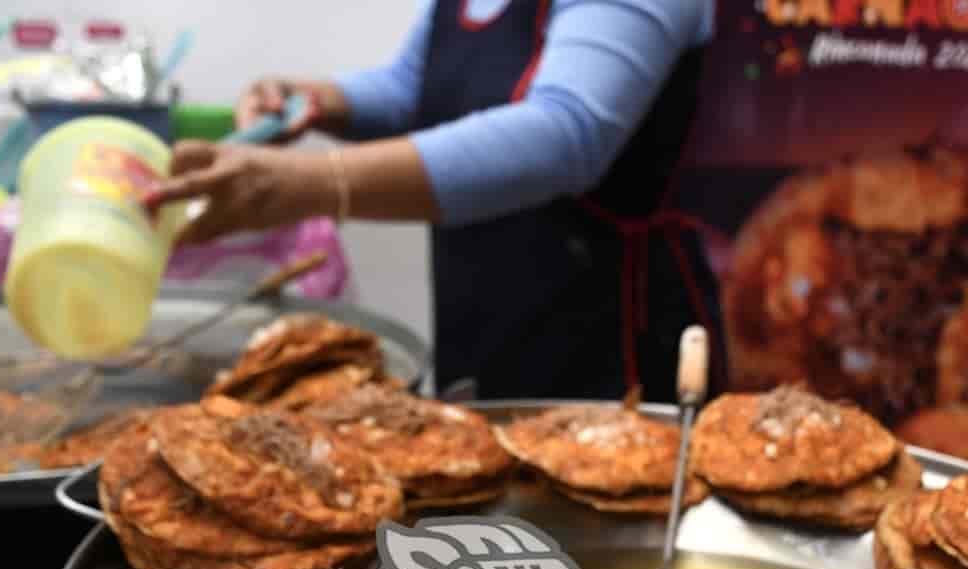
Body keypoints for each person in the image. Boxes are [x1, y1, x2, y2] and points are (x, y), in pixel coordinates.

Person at [142, 0, 720, 404]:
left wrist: (309, 183)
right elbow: (409, 90)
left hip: (613, 336)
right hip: (491, 308)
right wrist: (314, 100)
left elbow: (568, 133)